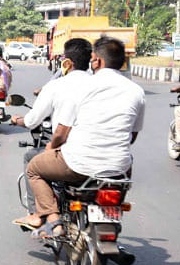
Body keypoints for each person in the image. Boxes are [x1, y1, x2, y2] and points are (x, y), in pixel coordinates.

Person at [15, 36, 145, 238]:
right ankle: (112, 214)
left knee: (33, 167)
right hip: (119, 167)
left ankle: (51, 219)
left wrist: (51, 147)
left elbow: (61, 132)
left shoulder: (82, 87)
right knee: (123, 171)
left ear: (98, 61)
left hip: (78, 162)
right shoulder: (136, 91)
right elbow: (132, 136)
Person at [10, 38, 92, 229]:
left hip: (72, 156)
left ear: (67, 62)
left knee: (32, 161)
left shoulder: (57, 86)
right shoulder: (100, 87)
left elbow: (51, 129)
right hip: (109, 158)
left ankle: (38, 214)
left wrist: (17, 120)